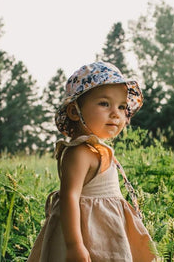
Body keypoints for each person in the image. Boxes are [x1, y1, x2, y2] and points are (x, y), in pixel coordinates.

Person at [27, 62, 158, 262]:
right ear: (74, 112)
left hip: (105, 232)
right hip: (85, 234)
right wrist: (74, 246)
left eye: (122, 106)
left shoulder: (96, 149)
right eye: (105, 104)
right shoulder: (79, 152)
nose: (116, 113)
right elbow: (69, 197)